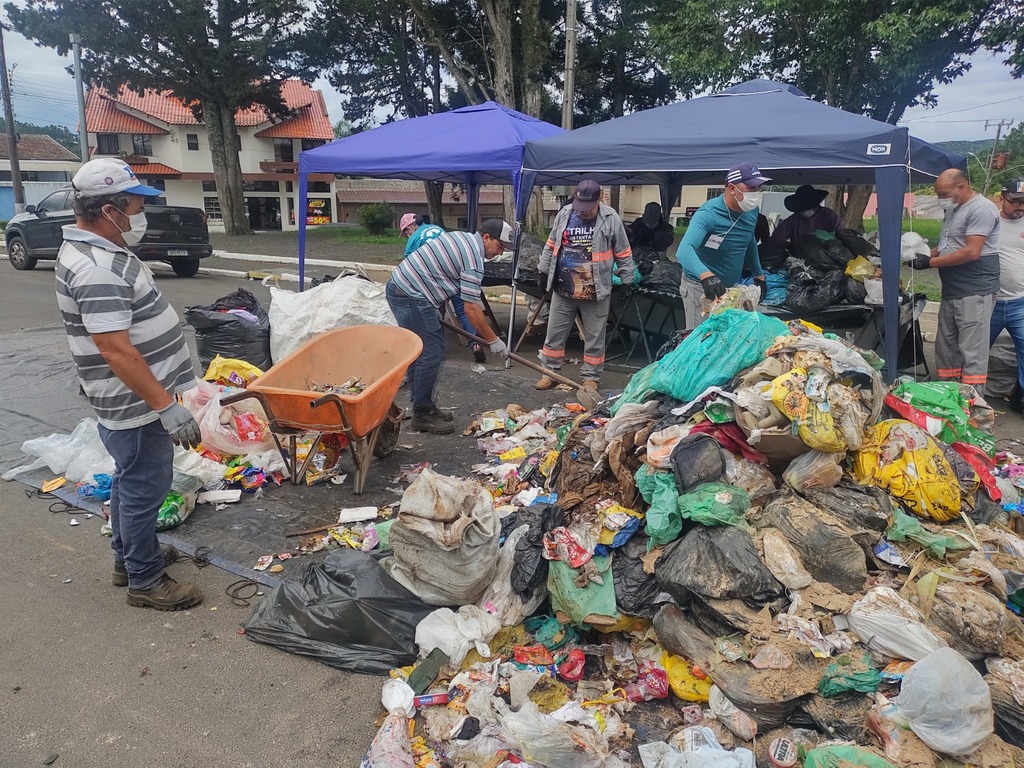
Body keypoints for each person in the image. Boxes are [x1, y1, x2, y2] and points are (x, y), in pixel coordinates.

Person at [56, 158, 203, 611]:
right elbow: (115, 350)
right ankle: (145, 579)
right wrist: (165, 406)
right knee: (145, 488)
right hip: (136, 403)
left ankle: (129, 558)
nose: (141, 214)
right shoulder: (96, 267)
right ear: (109, 209)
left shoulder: (98, 252)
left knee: (129, 481)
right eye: (136, 204)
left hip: (130, 399)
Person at [387, 219, 512, 434]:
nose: (500, 253)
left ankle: (422, 405)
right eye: (499, 246)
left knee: (422, 352)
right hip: (409, 294)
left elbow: (457, 292)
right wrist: (493, 340)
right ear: (486, 238)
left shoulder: (463, 239)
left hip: (405, 290)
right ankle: (422, 413)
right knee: (431, 353)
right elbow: (472, 309)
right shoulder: (473, 258)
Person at [535, 180, 636, 393]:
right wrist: (543, 270)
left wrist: (627, 280)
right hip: (564, 289)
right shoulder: (565, 213)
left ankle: (591, 377)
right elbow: (551, 244)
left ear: (599, 200)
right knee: (554, 334)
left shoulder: (611, 219)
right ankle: (550, 372)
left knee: (595, 338)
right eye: (580, 207)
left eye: (588, 208)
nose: (583, 212)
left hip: (595, 291)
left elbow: (624, 252)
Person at [911, 168, 1001, 396]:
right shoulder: (954, 210)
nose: (940, 199)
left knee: (972, 353)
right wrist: (920, 254)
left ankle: (974, 407)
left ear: (960, 187)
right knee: (946, 348)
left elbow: (972, 252)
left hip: (974, 290)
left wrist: (931, 263)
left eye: (943, 193)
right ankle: (947, 396)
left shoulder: (981, 208)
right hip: (952, 290)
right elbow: (947, 246)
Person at [676, 162, 770, 329]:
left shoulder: (752, 211)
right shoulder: (709, 214)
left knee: (725, 339)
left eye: (758, 188)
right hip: (701, 287)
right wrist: (705, 275)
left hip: (729, 287)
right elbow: (684, 250)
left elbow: (748, 240)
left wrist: (758, 274)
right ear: (732, 188)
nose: (756, 193)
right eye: (751, 188)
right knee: (701, 341)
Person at [400, 213, 486, 363]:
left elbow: (410, 264)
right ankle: (476, 344)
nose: (407, 235)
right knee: (464, 310)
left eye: (406, 231)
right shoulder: (437, 228)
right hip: (456, 274)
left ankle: (437, 349)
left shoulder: (414, 239)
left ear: (411, 226)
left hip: (435, 282)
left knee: (434, 313)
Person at [989, 179, 1024, 411]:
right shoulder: (989, 221)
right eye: (1015, 201)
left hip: (1020, 303)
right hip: (989, 302)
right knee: (974, 352)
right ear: (1002, 198)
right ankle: (966, 397)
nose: (1020, 207)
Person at [768, 184, 842, 245]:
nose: (804, 211)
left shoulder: (829, 215)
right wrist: (789, 247)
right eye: (801, 209)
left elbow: (841, 236)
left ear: (814, 205)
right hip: (800, 258)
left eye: (806, 208)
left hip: (827, 255)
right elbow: (776, 238)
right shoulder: (794, 219)